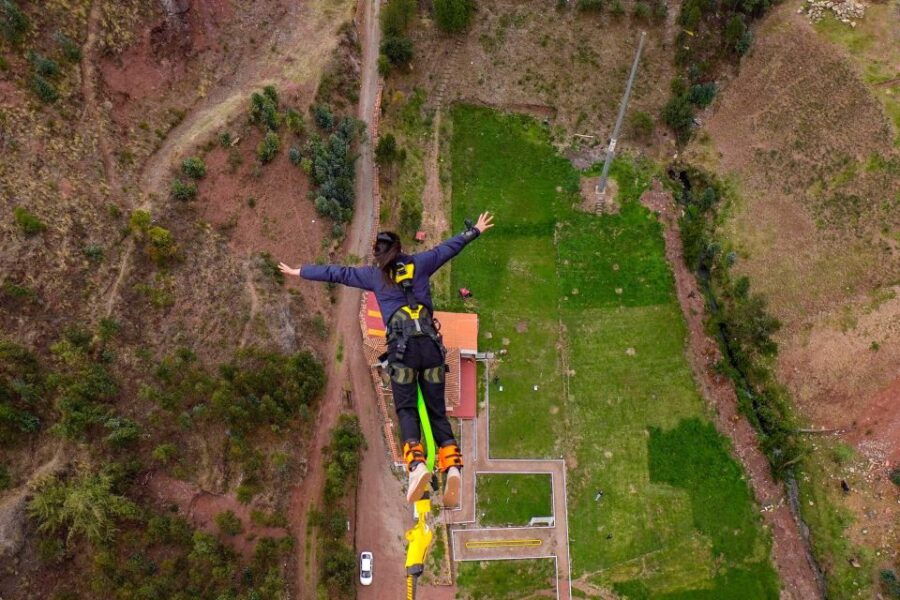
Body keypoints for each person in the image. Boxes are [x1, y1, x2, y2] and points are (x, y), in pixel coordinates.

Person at [279, 212, 495, 505]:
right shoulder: (421, 263)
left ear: (378, 255)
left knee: (406, 409)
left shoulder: (373, 276)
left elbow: (336, 273)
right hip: (431, 350)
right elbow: (450, 247)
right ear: (400, 248)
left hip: (403, 354)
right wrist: (475, 231)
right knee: (436, 413)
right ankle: (452, 466)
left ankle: (417, 466)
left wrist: (299, 271)